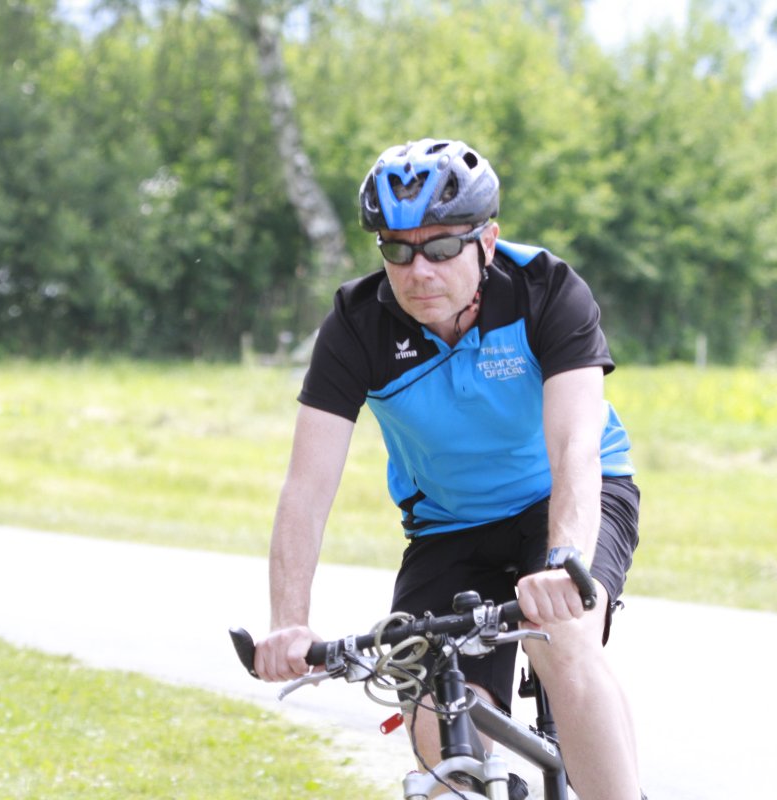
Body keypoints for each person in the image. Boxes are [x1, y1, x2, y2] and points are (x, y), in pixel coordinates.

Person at [253, 138, 643, 800]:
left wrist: (564, 562)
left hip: (565, 499)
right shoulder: (356, 325)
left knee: (562, 639)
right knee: (438, 713)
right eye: (397, 250)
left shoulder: (545, 289)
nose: (417, 271)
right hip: (448, 527)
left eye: (440, 248)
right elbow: (306, 488)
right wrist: (289, 620)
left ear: (486, 241)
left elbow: (575, 446)